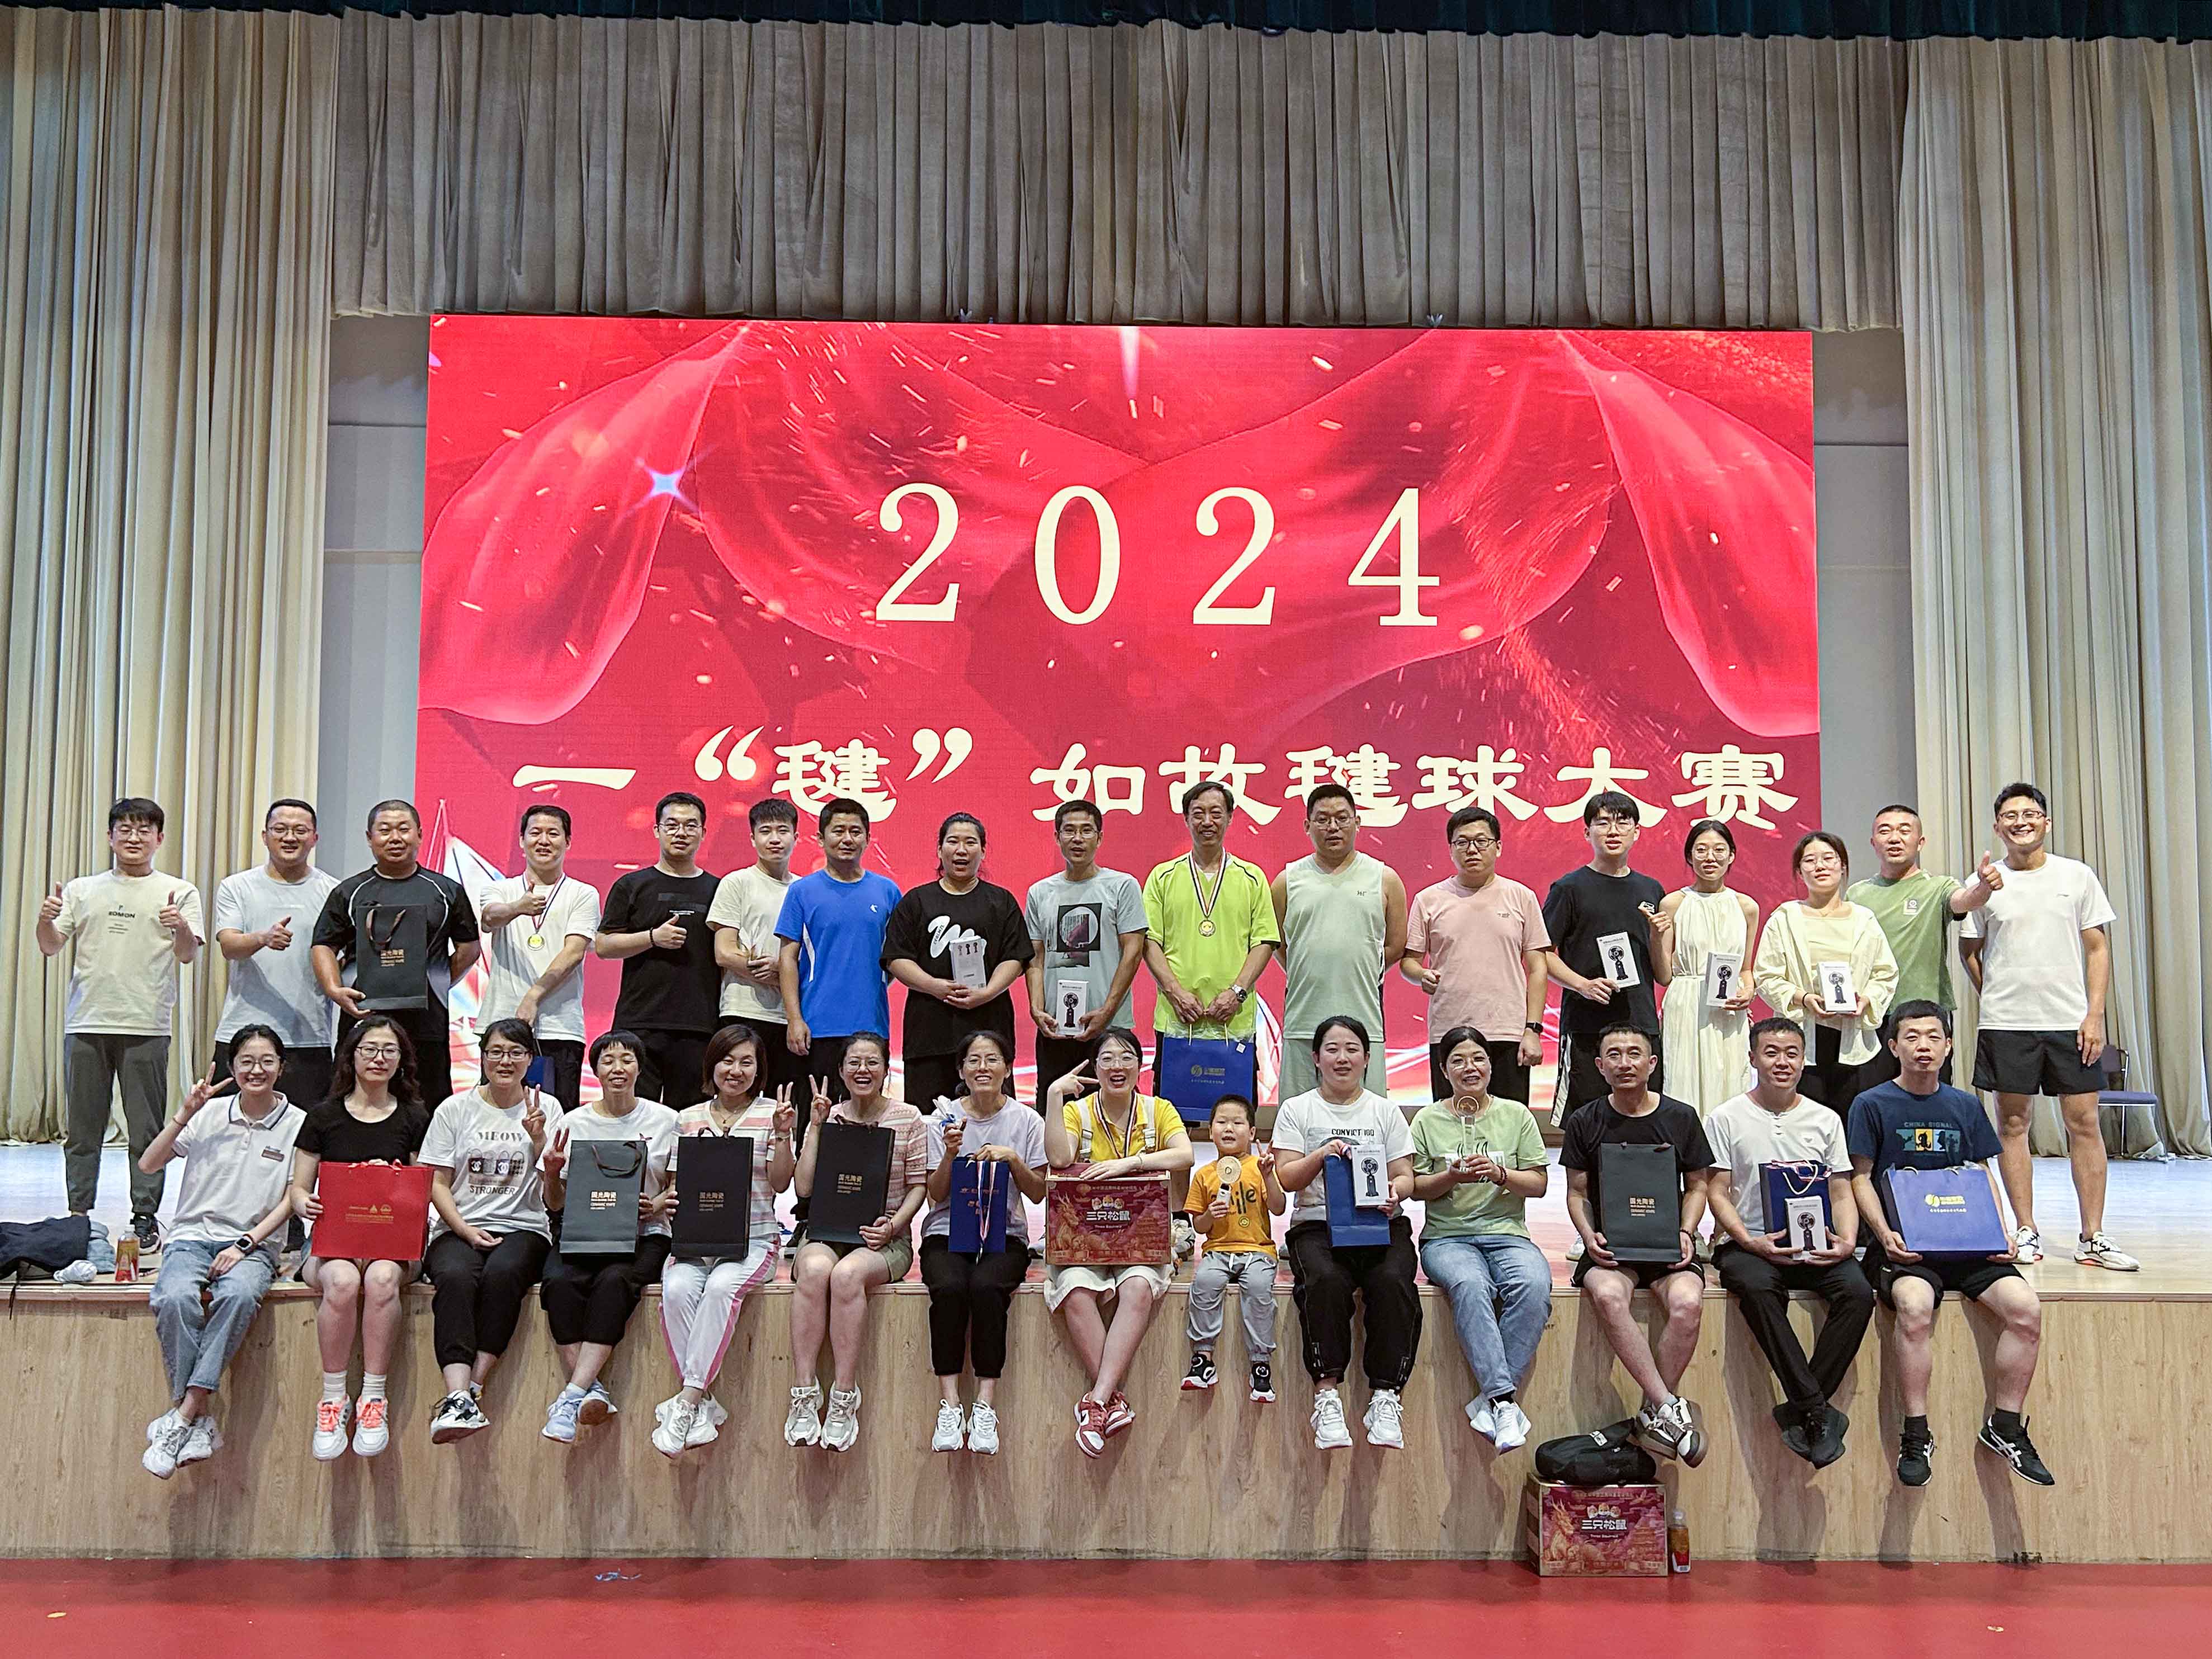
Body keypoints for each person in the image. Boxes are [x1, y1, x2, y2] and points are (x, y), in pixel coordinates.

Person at [1849, 1001, 2050, 1486]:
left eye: (1933, 1036)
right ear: (1893, 1046)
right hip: (1907, 1248)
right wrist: (1885, 1235)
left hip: (1967, 1242)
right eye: (1912, 1037)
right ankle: (1916, 1432)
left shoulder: (1965, 1105)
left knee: (2026, 1309)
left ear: (1949, 1045)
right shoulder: (1871, 1104)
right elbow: (1860, 1177)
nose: (1924, 1046)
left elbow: (1982, 1170)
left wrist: (1999, 1229)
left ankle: (2006, 1426)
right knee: (1915, 1305)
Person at [1959, 782, 2135, 1271]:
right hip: (2006, 1024)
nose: (2021, 822)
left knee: (2084, 1124)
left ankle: (2093, 1235)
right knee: (2013, 1125)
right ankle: (2025, 1229)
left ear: (2046, 822)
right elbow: (1969, 950)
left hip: (2069, 1022)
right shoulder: (1985, 882)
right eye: (2010, 816)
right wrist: (1994, 994)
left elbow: (2097, 947)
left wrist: (2094, 1015)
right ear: (1998, 827)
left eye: (2030, 813)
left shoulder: (2076, 875)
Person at [1704, 1018, 1874, 1467]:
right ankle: (1816, 1409)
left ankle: (1803, 1408)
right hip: (1750, 1243)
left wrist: (1847, 1240)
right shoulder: (1725, 1117)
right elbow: (1717, 1191)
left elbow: (1841, 1189)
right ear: (1753, 1058)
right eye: (1772, 1052)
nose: (1783, 1062)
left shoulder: (1826, 1119)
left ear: (1803, 1060)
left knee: (1858, 1292)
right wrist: (1749, 1239)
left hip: (1816, 1241)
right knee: (1758, 1288)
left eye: (1792, 1053)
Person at [37, 796, 205, 1248]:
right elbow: (50, 945)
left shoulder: (179, 891)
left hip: (147, 1024)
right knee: (83, 1129)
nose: (134, 837)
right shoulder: (82, 889)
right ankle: (78, 1214)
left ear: (159, 838)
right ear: (110, 837)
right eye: (125, 829)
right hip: (87, 1021)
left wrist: (179, 926)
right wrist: (45, 920)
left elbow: (188, 954)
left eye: (144, 829)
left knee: (146, 1130)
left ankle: (145, 1217)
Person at [136, 1027, 302, 1479]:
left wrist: (244, 1244)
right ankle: (198, 1417)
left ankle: (183, 1414)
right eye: (246, 1060)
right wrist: (184, 1113)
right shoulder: (208, 1112)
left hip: (254, 1245)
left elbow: (294, 1197)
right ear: (232, 1067)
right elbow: (148, 1164)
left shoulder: (298, 1123)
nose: (256, 1070)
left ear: (282, 1067)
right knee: (173, 1298)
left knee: (239, 1295)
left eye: (267, 1061)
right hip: (191, 1237)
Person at [1559, 1023, 1711, 1465]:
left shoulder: (1681, 1117)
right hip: (1611, 1248)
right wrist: (1589, 1235)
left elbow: (1698, 1185)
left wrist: (1686, 1231)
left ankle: (1653, 1413)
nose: (1624, 1063)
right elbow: (1576, 1192)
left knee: (1688, 1302)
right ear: (1600, 1065)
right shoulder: (1585, 1120)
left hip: (1668, 1246)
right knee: (1608, 1294)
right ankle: (1668, 1406)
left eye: (1634, 1053)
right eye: (1614, 1054)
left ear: (1652, 1063)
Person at [1270, 1016, 1421, 1452]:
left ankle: (1386, 1396)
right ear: (1316, 1058)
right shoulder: (1297, 1109)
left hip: (1379, 1222)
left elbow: (1405, 1175)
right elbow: (1287, 1177)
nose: (1342, 1057)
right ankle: (1327, 1396)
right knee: (1326, 1280)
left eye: (1352, 1049)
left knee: (1393, 1280)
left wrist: (1395, 1192)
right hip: (1318, 1224)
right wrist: (1322, 1154)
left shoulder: (1385, 1110)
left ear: (1367, 1058)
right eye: (1332, 1049)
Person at [1041, 1029, 1194, 1456]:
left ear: (1140, 1066)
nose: (1117, 1066)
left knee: (1139, 1286)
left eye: (1126, 1057)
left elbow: (1184, 1155)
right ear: (1095, 1068)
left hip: (1142, 1235)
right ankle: (1111, 1400)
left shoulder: (1158, 1109)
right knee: (1074, 1288)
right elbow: (1059, 1159)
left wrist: (1131, 1163)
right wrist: (1054, 1096)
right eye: (1107, 1058)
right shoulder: (1077, 1111)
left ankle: (1095, 1401)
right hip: (1085, 1237)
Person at [290, 1015, 432, 1461]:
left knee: (383, 1279)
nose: (378, 1058)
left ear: (401, 1060)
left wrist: (394, 1181)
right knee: (344, 1281)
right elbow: (298, 1188)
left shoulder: (415, 1117)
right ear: (351, 1056)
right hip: (334, 1243)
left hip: (393, 1245)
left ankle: (374, 1397)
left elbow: (426, 1188)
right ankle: (334, 1399)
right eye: (369, 1049)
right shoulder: (323, 1116)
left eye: (389, 1050)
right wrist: (305, 1202)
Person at [1407, 1028, 1551, 1453]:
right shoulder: (1427, 1119)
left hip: (1507, 1235)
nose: (1470, 1068)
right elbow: (1415, 1188)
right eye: (1458, 1060)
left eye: (1478, 1059)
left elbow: (1539, 1183)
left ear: (1490, 1065)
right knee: (1471, 1285)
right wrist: (1450, 1176)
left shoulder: (1517, 1115)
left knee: (1534, 1285)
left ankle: (1493, 1401)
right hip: (1447, 1239)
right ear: (1443, 1070)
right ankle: (1504, 1401)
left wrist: (1501, 1174)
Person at [418, 1018, 561, 1443]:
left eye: (516, 1052)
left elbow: (556, 1200)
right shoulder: (454, 1108)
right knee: (455, 1276)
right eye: (496, 1051)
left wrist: (540, 1143)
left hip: (525, 1228)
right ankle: (457, 1394)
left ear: (530, 1060)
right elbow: (436, 1182)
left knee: (503, 1274)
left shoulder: (548, 1109)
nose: (505, 1061)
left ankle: (471, 1389)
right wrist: (463, 1229)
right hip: (458, 1225)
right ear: (482, 1057)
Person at [654, 1021, 792, 1458]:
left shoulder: (773, 1114)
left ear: (759, 1069)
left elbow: (782, 1182)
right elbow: (677, 1184)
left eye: (746, 1062)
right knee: (676, 1290)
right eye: (728, 1060)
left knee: (720, 1288)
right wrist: (668, 1201)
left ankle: (686, 1401)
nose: (736, 1070)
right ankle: (702, 1406)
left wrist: (784, 1133)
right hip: (696, 1242)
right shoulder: (687, 1118)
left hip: (754, 1240)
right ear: (712, 1065)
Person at [786, 1033, 929, 1453]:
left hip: (885, 1239)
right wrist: (814, 1127)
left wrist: (893, 1226)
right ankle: (804, 1393)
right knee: (816, 1269)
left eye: (872, 1062)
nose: (863, 1070)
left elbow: (919, 1186)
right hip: (828, 1231)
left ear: (886, 1070)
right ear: (841, 1070)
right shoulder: (828, 1116)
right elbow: (804, 1187)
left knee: (847, 1276)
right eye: (854, 1062)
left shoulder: (909, 1118)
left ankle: (844, 1396)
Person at [537, 1029, 680, 1442]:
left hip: (646, 1234)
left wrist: (655, 1205)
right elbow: (555, 1202)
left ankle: (571, 1395)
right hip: (583, 1233)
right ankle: (590, 1389)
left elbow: (677, 1185)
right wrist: (551, 1173)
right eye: (608, 1060)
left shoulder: (666, 1120)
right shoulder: (573, 1122)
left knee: (616, 1281)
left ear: (640, 1067)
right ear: (596, 1070)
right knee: (558, 1283)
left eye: (627, 1059)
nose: (618, 1068)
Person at [919, 1031, 1047, 1455]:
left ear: (1008, 1068)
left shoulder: (1027, 1121)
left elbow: (1039, 1193)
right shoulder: (942, 1120)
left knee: (988, 1288)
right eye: (973, 1060)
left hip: (1004, 1234)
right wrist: (950, 1154)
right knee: (950, 1287)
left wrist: (1014, 1159)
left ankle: (985, 1407)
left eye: (992, 1059)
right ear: (961, 1071)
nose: (983, 1068)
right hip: (946, 1232)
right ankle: (950, 1406)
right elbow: (935, 1194)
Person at [312, 798, 479, 1109]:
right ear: (369, 838)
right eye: (385, 830)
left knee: (426, 1105)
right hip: (363, 1015)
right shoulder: (349, 892)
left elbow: (469, 948)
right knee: (353, 1102)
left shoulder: (446, 890)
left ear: (420, 834)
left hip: (427, 1019)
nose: (395, 838)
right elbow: (323, 945)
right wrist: (334, 989)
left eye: (404, 829)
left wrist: (436, 982)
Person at [1400, 806, 1550, 1105]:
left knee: (1509, 1121)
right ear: (1451, 849)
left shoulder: (1522, 897)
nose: (1472, 849)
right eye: (1462, 842)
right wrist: (1421, 975)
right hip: (1449, 1032)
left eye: (1481, 841)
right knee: (1451, 1119)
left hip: (1507, 1031)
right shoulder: (1428, 900)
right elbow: (1408, 963)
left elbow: (1538, 968)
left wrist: (1532, 1029)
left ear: (1498, 847)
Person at [883, 812, 1034, 1110]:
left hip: (989, 1029)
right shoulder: (917, 901)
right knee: (929, 1119)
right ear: (940, 850)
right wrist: (934, 986)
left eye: (971, 843)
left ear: (983, 851)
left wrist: (987, 992)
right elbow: (897, 958)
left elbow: (1015, 958)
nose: (961, 850)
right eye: (953, 842)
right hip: (929, 1033)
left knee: (993, 1115)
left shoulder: (1001, 901)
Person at [1847, 803, 2002, 1091]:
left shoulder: (1938, 887)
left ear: (1920, 842)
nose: (1895, 838)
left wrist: (1984, 888)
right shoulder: (1856, 894)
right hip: (1871, 1014)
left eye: (1904, 831)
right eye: (1885, 831)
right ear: (1873, 842)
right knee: (1873, 1100)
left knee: (1929, 1099)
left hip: (1925, 1015)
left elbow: (1965, 900)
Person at [1142, 781, 1279, 1102]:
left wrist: (1237, 993)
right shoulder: (1162, 877)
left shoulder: (1252, 877)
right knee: (1174, 1117)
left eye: (1216, 813)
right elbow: (1149, 942)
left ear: (1230, 818)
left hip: (1234, 1021)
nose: (1207, 821)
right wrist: (1176, 993)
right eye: (1198, 813)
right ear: (1186, 819)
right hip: (1178, 1020)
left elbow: (1264, 941)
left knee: (1236, 1117)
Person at [1271, 785, 1407, 1098]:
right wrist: (1306, 968)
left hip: (1364, 1020)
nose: (1333, 827)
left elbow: (1395, 946)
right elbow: (1276, 943)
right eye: (1322, 820)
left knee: (1367, 1118)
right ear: (1307, 826)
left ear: (1357, 823)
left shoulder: (1384, 878)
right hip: (1303, 1020)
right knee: (1298, 1116)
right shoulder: (1287, 880)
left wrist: (1362, 968)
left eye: (1342, 818)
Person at [1542, 792, 1670, 1121]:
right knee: (1585, 1121)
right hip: (1587, 1027)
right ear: (1587, 832)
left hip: (1641, 1024)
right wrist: (1582, 985)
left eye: (1622, 822)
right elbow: (1542, 954)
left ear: (1637, 831)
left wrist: (1658, 936)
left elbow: (1662, 974)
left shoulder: (1652, 890)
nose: (1613, 831)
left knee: (1643, 1120)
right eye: (1602, 823)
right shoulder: (1569, 888)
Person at [1752, 831, 1898, 1119]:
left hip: (1853, 1035)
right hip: (1803, 1036)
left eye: (1829, 859)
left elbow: (1885, 972)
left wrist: (1866, 1000)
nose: (1820, 866)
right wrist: (1803, 998)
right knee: (1804, 1120)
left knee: (1853, 1119)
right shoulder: (1785, 917)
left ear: (1843, 866)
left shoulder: (1863, 918)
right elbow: (1766, 976)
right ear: (1799, 871)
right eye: (1810, 861)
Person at [211, 798, 340, 1115]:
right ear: (265, 836)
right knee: (229, 1127)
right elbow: (229, 946)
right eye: (280, 829)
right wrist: (262, 938)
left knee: (306, 1132)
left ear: (315, 838)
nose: (289, 837)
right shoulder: (237, 887)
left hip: (309, 1035)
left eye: (300, 830)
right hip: (242, 1030)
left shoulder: (333, 891)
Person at [593, 792, 721, 1108]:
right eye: (672, 825)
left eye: (691, 826)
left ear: (703, 832)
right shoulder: (632, 885)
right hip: (640, 1020)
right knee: (633, 1115)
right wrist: (652, 937)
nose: (681, 833)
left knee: (691, 1118)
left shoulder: (719, 889)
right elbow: (604, 945)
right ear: (657, 830)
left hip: (699, 1023)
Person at [476, 804, 602, 1113]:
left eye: (553, 834)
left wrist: (533, 996)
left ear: (568, 841)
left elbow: (574, 952)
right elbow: (490, 918)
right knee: (496, 1114)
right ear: (521, 840)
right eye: (535, 833)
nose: (543, 840)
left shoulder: (583, 893)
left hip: (561, 1028)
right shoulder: (500, 889)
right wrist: (517, 907)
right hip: (501, 1025)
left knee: (558, 1116)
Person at [776, 796, 902, 1100]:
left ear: (868, 839)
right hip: (816, 1026)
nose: (847, 839)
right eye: (838, 831)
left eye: (856, 832)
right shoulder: (801, 892)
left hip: (872, 1025)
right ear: (821, 839)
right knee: (816, 1115)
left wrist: (872, 983)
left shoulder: (888, 891)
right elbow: (788, 959)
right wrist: (795, 1019)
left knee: (867, 1115)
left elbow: (898, 959)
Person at [1023, 798, 1148, 1091]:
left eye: (1086, 831)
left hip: (1110, 1026)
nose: (1077, 838)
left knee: (1115, 1109)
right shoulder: (1039, 892)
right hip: (1056, 1029)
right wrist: (1037, 1009)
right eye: (1069, 831)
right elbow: (1035, 958)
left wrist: (1107, 1010)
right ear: (1057, 838)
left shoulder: (1122, 886)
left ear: (1099, 838)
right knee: (1055, 1110)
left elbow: (1133, 953)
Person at [1180, 1093, 1284, 1405]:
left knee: (1259, 1289)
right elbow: (1199, 1226)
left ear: (1252, 1133)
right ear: (1210, 1130)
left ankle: (1261, 1363)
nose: (1229, 1128)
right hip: (1217, 1252)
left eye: (1238, 1123)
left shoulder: (1259, 1168)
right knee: (1204, 1283)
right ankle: (1203, 1359)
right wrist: (1210, 1215)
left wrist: (1269, 1176)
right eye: (1221, 1122)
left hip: (1258, 1251)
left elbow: (1278, 1208)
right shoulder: (1204, 1174)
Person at [1657, 819, 1761, 1115]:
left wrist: (1749, 992)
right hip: (1686, 1003)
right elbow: (1664, 975)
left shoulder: (1747, 907)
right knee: (1684, 1082)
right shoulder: (1673, 904)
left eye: (1719, 850)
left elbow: (1745, 969)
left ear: (1732, 855)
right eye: (1701, 850)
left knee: (1730, 1080)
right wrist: (1655, 936)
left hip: (1728, 1008)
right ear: (1689, 856)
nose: (1710, 857)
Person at [707, 797, 807, 1098]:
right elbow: (724, 952)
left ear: (796, 837)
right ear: (752, 838)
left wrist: (784, 972)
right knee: (738, 1097)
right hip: (743, 1010)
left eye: (783, 831)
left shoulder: (806, 889)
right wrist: (777, 974)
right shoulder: (736, 882)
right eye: (765, 831)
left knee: (786, 1101)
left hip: (792, 1017)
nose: (775, 839)